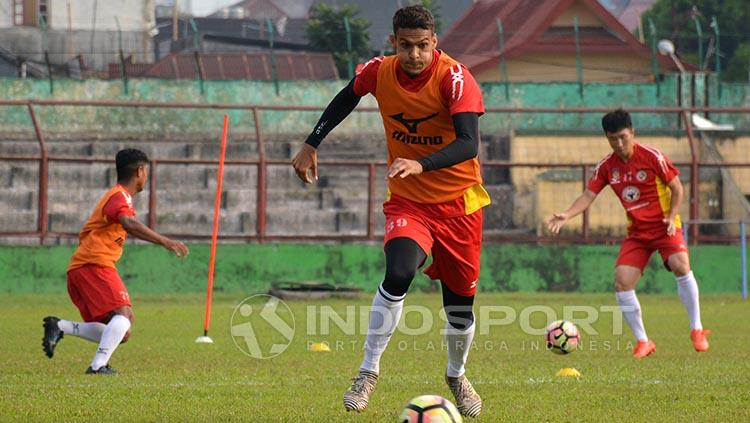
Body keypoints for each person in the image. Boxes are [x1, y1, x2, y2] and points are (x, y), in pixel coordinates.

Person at [291, 5, 488, 418]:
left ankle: (456, 374)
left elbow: (469, 143)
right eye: (405, 45)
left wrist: (421, 162)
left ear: (434, 42)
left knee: (459, 309)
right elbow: (347, 96)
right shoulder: (379, 71)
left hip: (460, 207)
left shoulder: (455, 78)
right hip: (409, 202)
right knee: (397, 272)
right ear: (394, 43)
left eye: (422, 46)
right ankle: (367, 371)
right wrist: (312, 142)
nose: (414, 54)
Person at [546, 109, 710, 358]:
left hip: (665, 225)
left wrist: (671, 215)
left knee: (680, 264)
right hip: (638, 232)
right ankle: (643, 341)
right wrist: (567, 215)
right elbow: (589, 195)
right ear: (607, 138)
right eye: (613, 139)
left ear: (632, 132)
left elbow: (677, 187)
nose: (619, 144)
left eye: (623, 137)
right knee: (622, 281)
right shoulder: (607, 166)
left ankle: (696, 329)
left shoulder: (653, 156)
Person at [42, 148, 189, 374]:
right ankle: (98, 366)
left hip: (85, 267)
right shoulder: (118, 196)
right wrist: (165, 242)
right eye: (146, 170)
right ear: (140, 171)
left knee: (121, 331)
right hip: (93, 264)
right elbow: (129, 224)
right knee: (125, 315)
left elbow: (127, 223)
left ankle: (60, 326)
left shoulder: (120, 197)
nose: (146, 175)